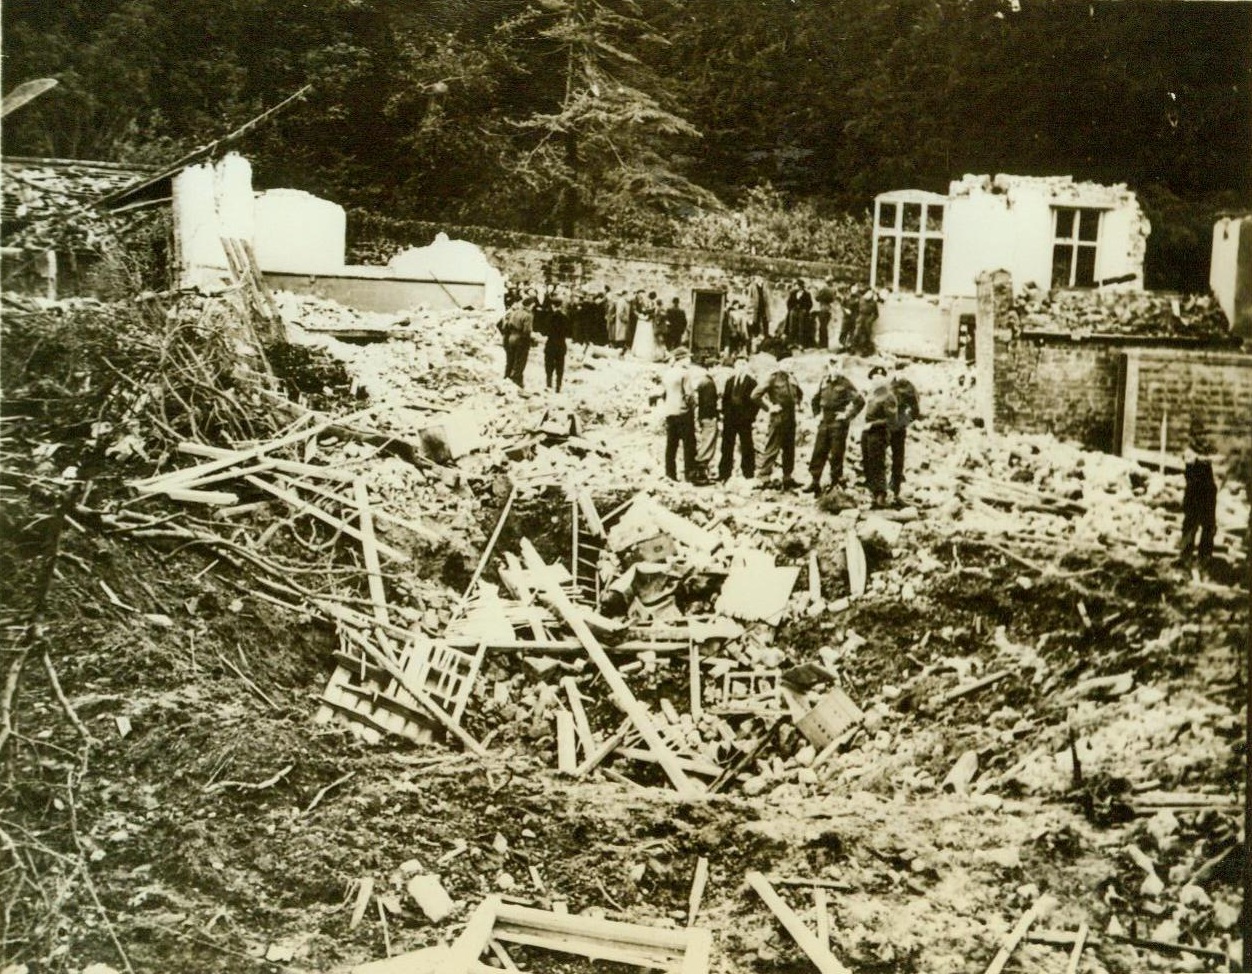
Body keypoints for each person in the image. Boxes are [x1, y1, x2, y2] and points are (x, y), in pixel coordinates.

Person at [808, 356, 864, 495]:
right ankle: (815, 482)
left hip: (838, 423)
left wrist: (847, 415)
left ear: (841, 368)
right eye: (832, 367)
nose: (835, 369)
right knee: (819, 451)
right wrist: (817, 415)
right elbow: (815, 400)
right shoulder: (824, 381)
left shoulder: (846, 383)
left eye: (838, 367)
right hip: (824, 421)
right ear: (829, 367)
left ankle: (835, 483)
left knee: (836, 454)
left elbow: (860, 401)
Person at [752, 357, 804, 489]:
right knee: (772, 448)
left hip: (791, 418)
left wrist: (799, 404)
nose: (789, 365)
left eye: (791, 362)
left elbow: (799, 394)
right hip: (778, 418)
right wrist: (770, 407)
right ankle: (764, 478)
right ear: (779, 364)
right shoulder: (772, 378)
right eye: (786, 362)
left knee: (789, 450)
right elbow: (755, 395)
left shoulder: (792, 378)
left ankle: (787, 478)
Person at [860, 365, 897, 508]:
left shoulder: (888, 396)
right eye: (875, 378)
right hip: (867, 433)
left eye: (880, 378)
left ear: (884, 380)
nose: (877, 380)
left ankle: (881, 495)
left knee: (877, 463)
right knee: (867, 462)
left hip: (879, 434)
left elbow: (891, 420)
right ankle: (873, 494)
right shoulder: (872, 394)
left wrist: (873, 425)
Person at [719, 354, 757, 482]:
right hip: (730, 419)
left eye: (744, 364)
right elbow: (725, 399)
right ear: (735, 366)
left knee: (747, 445)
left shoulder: (751, 382)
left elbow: (755, 403)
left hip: (744, 420)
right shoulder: (730, 381)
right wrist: (725, 414)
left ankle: (748, 473)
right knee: (727, 446)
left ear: (747, 366)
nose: (741, 367)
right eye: (739, 364)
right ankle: (724, 473)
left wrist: (750, 417)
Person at [661, 347, 697, 482]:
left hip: (670, 412)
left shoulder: (667, 373)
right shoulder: (684, 373)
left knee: (671, 445)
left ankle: (670, 474)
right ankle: (690, 474)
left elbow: (665, 393)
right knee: (689, 445)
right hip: (683, 412)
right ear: (682, 358)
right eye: (688, 358)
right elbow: (689, 395)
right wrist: (693, 407)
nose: (689, 360)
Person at [888, 362, 922, 505]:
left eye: (904, 371)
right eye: (899, 371)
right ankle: (879, 491)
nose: (902, 374)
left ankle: (895, 488)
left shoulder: (909, 388)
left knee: (898, 458)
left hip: (899, 429)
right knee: (879, 457)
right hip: (885, 426)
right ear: (894, 371)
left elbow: (916, 409)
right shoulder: (888, 385)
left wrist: (905, 421)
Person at [1180, 442, 1218, 562]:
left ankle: (1204, 557)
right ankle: (1186, 556)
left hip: (1207, 494)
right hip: (1194, 494)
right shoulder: (1190, 458)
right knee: (1190, 525)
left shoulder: (1205, 463)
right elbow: (1189, 483)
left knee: (1208, 526)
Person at [690, 361, 718, 484]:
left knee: (705, 442)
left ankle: (699, 472)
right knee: (708, 444)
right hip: (709, 417)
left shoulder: (702, 382)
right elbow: (709, 403)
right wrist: (713, 416)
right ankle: (700, 473)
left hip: (703, 416)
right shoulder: (709, 383)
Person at [499, 295, 535, 388]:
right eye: (532, 305)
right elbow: (527, 331)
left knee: (511, 360)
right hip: (521, 340)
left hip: (511, 338)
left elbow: (505, 325)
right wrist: (532, 341)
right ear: (529, 305)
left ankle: (507, 378)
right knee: (520, 362)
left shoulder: (514, 312)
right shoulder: (528, 315)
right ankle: (516, 381)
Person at [544, 295, 570, 392]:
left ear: (553, 306)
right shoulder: (565, 318)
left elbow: (545, 331)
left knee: (549, 364)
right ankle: (558, 385)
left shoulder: (549, 317)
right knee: (560, 366)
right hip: (561, 345)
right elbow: (568, 332)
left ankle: (549, 383)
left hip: (550, 344)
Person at [850, 287, 880, 356]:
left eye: (871, 293)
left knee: (866, 336)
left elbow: (876, 314)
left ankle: (865, 351)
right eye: (868, 293)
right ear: (865, 293)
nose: (869, 295)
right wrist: (856, 317)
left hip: (868, 319)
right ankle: (852, 349)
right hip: (860, 318)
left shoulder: (873, 303)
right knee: (856, 333)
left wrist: (871, 320)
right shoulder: (861, 299)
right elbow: (853, 306)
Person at [814, 279, 836, 349]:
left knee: (822, 327)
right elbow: (833, 299)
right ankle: (825, 344)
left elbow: (817, 298)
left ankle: (822, 344)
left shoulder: (824, 289)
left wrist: (817, 291)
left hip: (823, 308)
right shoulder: (833, 290)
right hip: (829, 308)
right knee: (825, 327)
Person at [748, 276, 771, 340]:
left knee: (765, 320)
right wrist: (751, 304)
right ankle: (756, 334)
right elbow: (750, 296)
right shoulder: (752, 286)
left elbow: (768, 295)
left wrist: (768, 302)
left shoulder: (765, 285)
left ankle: (766, 334)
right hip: (756, 306)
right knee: (756, 320)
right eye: (757, 278)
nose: (759, 279)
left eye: (760, 278)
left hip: (764, 306)